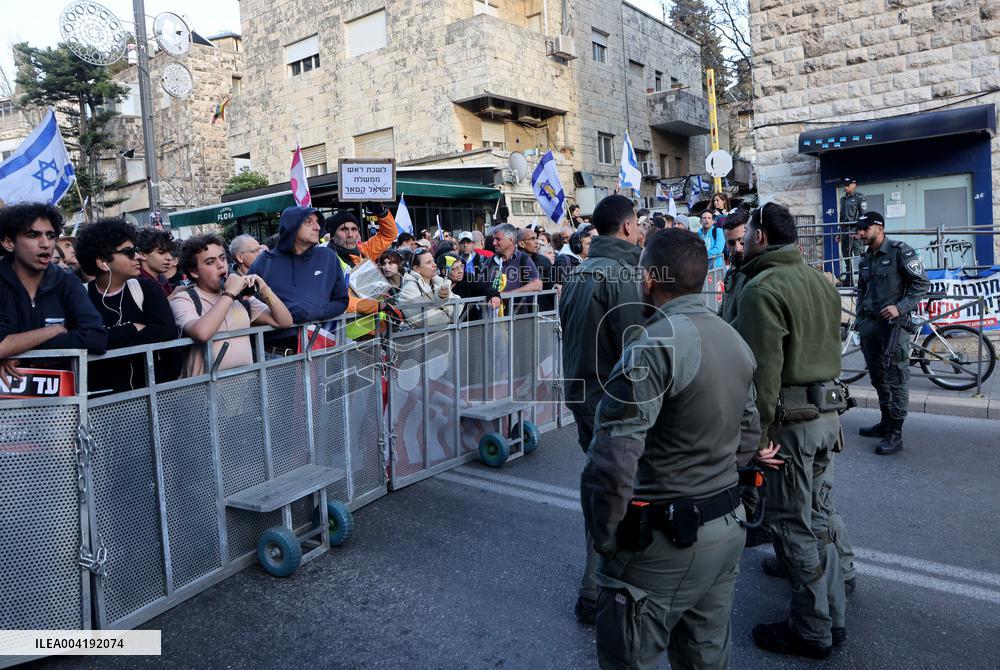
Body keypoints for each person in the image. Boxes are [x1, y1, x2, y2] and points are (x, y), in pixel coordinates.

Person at [582, 228, 774, 670]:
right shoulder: (732, 338)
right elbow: (750, 431)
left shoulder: (653, 344)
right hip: (724, 526)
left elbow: (613, 458)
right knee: (705, 657)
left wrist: (606, 538)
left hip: (664, 540)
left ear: (648, 279)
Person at [734, 202, 849, 659]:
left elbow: (763, 375)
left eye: (745, 235)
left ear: (760, 236)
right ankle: (833, 616)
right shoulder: (820, 280)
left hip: (790, 428)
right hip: (825, 419)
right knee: (818, 520)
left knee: (792, 526)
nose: (741, 241)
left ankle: (812, 628)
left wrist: (756, 440)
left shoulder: (763, 288)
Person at [557, 194, 644, 624]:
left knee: (602, 486)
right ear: (627, 227)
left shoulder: (577, 274)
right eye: (639, 223)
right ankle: (600, 588)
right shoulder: (621, 273)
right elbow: (638, 350)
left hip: (584, 396)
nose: (642, 230)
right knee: (616, 494)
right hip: (610, 401)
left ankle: (602, 585)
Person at [0, 203, 107, 383]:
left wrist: (21, 350)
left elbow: (96, 337)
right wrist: (54, 331)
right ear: (9, 243)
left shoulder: (67, 282)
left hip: (62, 404)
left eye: (50, 236)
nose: (45, 244)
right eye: (33, 235)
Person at [853, 210, 930, 455]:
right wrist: (858, 320)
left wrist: (900, 307)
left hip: (893, 329)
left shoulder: (900, 251)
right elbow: (861, 291)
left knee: (896, 378)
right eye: (860, 229)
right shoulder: (866, 258)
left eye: (865, 229)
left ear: (879, 228)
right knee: (877, 377)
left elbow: (921, 284)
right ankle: (885, 421)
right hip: (869, 326)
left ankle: (896, 432)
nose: (861, 233)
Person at [75, 218, 180, 394]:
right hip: (104, 403)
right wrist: (132, 328)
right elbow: (81, 341)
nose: (138, 256)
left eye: (136, 250)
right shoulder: (81, 296)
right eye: (128, 252)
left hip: (154, 395)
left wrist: (106, 339)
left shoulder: (146, 287)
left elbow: (166, 331)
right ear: (103, 262)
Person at [170, 234, 293, 377]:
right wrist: (229, 293)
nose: (221, 265)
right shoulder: (184, 299)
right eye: (210, 262)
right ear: (194, 271)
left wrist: (265, 289)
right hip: (204, 391)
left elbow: (285, 321)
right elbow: (202, 333)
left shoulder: (240, 299)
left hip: (243, 389)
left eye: (222, 258)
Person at [249, 206, 349, 326]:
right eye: (308, 222)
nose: (317, 227)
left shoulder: (328, 257)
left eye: (317, 222)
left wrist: (316, 311)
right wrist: (286, 312)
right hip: (275, 342)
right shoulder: (265, 261)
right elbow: (248, 301)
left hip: (322, 341)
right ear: (292, 227)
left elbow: (341, 301)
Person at [326, 204, 397, 317]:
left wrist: (382, 213)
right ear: (333, 236)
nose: (350, 235)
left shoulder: (363, 250)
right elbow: (338, 300)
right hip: (350, 332)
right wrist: (377, 306)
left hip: (378, 326)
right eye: (344, 229)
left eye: (354, 229)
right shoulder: (327, 260)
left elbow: (389, 235)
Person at [397, 247, 455, 329]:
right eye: (428, 262)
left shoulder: (439, 282)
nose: (434, 265)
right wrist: (448, 317)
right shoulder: (409, 288)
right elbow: (422, 319)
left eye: (433, 261)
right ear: (417, 269)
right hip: (423, 339)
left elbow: (457, 310)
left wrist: (444, 299)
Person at [486, 224, 542, 296]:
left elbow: (537, 285)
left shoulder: (523, 258)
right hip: (493, 307)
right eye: (494, 239)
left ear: (511, 239)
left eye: (498, 239)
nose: (494, 243)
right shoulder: (491, 260)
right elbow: (480, 283)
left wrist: (508, 295)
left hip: (515, 306)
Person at [718, 209, 749, 324]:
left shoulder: (759, 273)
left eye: (742, 241)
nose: (737, 248)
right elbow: (724, 308)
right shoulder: (732, 270)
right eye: (731, 243)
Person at [445, 257, 500, 321]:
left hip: (468, 326)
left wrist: (494, 295)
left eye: (461, 266)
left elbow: (484, 287)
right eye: (455, 269)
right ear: (444, 271)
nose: (460, 271)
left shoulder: (468, 279)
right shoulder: (436, 283)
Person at [838, 177, 867, 286]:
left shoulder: (860, 197)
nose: (846, 187)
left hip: (855, 231)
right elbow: (841, 217)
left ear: (854, 185)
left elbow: (863, 216)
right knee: (846, 255)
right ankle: (849, 278)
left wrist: (860, 232)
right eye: (845, 185)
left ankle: (862, 279)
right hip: (845, 232)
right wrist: (839, 233)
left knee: (858, 256)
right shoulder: (843, 199)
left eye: (848, 185)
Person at [517, 228, 554, 310]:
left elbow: (550, 288)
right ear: (521, 243)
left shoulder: (544, 261)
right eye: (532, 239)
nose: (537, 242)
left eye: (536, 238)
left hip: (541, 310)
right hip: (517, 310)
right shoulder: (511, 260)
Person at [136, 228, 176, 296]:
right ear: (142, 254)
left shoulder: (163, 281)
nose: (169, 258)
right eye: (161, 253)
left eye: (169, 252)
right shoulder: (136, 285)